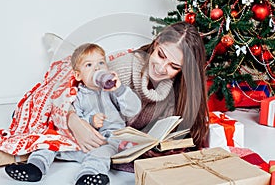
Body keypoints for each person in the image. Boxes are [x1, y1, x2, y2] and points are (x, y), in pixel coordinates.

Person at [67, 22, 209, 168]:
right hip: (100, 138)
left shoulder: (177, 89)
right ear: (156, 43)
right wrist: (74, 121)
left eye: (174, 66)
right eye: (161, 55)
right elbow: (74, 95)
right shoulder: (121, 70)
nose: (161, 68)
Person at [4, 43, 142, 184]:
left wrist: (120, 90)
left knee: (101, 155)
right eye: (89, 65)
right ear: (78, 75)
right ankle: (35, 167)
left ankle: (88, 176)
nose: (97, 68)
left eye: (101, 62)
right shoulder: (77, 95)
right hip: (81, 143)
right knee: (49, 142)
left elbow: (133, 109)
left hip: (108, 140)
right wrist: (90, 120)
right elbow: (74, 118)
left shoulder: (112, 91)